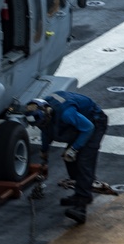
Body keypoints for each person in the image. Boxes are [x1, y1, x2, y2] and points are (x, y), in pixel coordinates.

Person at [25, 91, 117, 225]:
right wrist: (44, 150)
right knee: (69, 159)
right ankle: (80, 192)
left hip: (94, 123)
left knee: (84, 161)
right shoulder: (44, 114)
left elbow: (88, 128)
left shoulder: (66, 114)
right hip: (78, 125)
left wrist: (74, 149)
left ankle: (81, 207)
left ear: (47, 112)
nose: (42, 125)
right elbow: (46, 130)